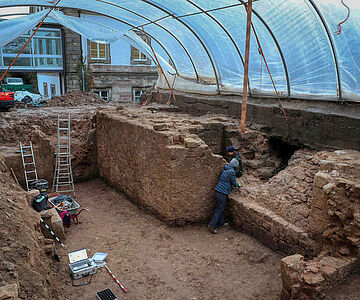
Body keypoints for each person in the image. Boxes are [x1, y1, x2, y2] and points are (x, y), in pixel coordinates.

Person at [208, 158, 240, 234]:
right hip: (222, 192)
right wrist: (239, 185)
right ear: (235, 166)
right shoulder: (231, 172)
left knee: (221, 207)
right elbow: (234, 182)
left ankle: (221, 222)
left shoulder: (225, 168)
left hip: (218, 190)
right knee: (220, 208)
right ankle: (212, 225)